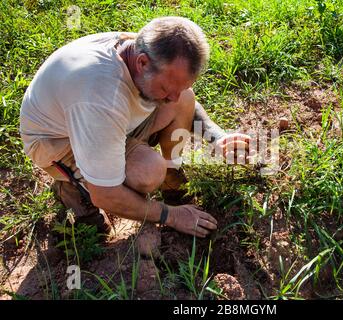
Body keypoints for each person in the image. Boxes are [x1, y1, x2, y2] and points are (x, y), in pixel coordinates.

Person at [19, 16, 250, 245]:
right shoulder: (100, 97)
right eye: (166, 88)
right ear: (141, 63)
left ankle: (172, 180)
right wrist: (171, 215)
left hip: (108, 120)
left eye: (180, 87)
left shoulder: (142, 52)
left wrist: (217, 136)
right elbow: (105, 194)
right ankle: (72, 188)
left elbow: (180, 97)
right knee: (147, 172)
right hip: (59, 142)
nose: (173, 97)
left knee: (182, 101)